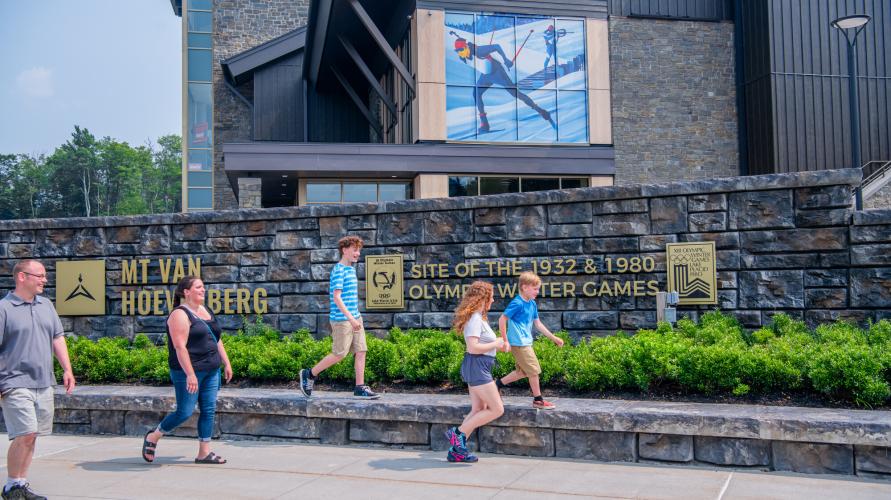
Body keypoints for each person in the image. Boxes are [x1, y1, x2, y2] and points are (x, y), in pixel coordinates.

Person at [1, 259, 75, 500]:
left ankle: (20, 484)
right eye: (40, 275)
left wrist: (67, 369)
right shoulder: (4, 308)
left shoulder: (46, 305)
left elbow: (57, 337)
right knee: (25, 432)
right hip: (13, 381)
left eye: (45, 275)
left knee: (32, 436)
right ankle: (11, 486)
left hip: (44, 381)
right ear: (22, 277)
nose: (45, 280)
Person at [141, 276, 233, 465]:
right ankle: (153, 436)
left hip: (211, 370)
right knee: (184, 412)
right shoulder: (180, 315)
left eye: (203, 287)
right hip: (188, 372)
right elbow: (180, 347)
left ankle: (204, 453)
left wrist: (226, 362)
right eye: (198, 287)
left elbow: (216, 338)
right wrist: (190, 374)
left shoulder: (205, 310)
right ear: (187, 292)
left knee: (209, 409)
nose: (203, 290)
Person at [299, 236, 379, 399]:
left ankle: (360, 387)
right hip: (343, 320)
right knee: (339, 353)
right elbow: (337, 297)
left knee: (361, 350)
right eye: (355, 250)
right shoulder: (339, 270)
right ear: (345, 250)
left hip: (355, 318)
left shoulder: (350, 269)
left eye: (359, 250)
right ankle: (309, 374)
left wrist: (355, 318)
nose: (358, 253)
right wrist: (351, 318)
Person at [444, 281, 507, 463]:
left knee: (478, 409)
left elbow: (481, 345)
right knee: (496, 409)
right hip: (477, 366)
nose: (493, 300)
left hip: (480, 365)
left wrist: (497, 343)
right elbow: (473, 347)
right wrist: (496, 343)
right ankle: (458, 433)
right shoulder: (475, 319)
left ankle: (457, 451)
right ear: (483, 298)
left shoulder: (479, 317)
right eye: (491, 296)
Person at [451, 34, 555, 134]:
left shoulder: (479, 51)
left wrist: (506, 60)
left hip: (497, 72)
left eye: (462, 50)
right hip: (485, 75)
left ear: (466, 47)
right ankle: (484, 124)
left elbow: (497, 46)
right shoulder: (463, 57)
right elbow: (466, 49)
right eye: (458, 51)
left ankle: (541, 111)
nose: (461, 53)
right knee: (476, 93)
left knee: (515, 94)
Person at [495, 271, 564, 409]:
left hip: (526, 342)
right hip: (519, 343)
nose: (537, 292)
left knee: (523, 372)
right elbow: (502, 319)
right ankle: (538, 400)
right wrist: (505, 340)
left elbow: (538, 324)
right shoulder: (517, 303)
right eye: (535, 288)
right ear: (525, 287)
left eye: (538, 288)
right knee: (534, 370)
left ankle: (495, 385)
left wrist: (554, 338)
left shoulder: (532, 304)